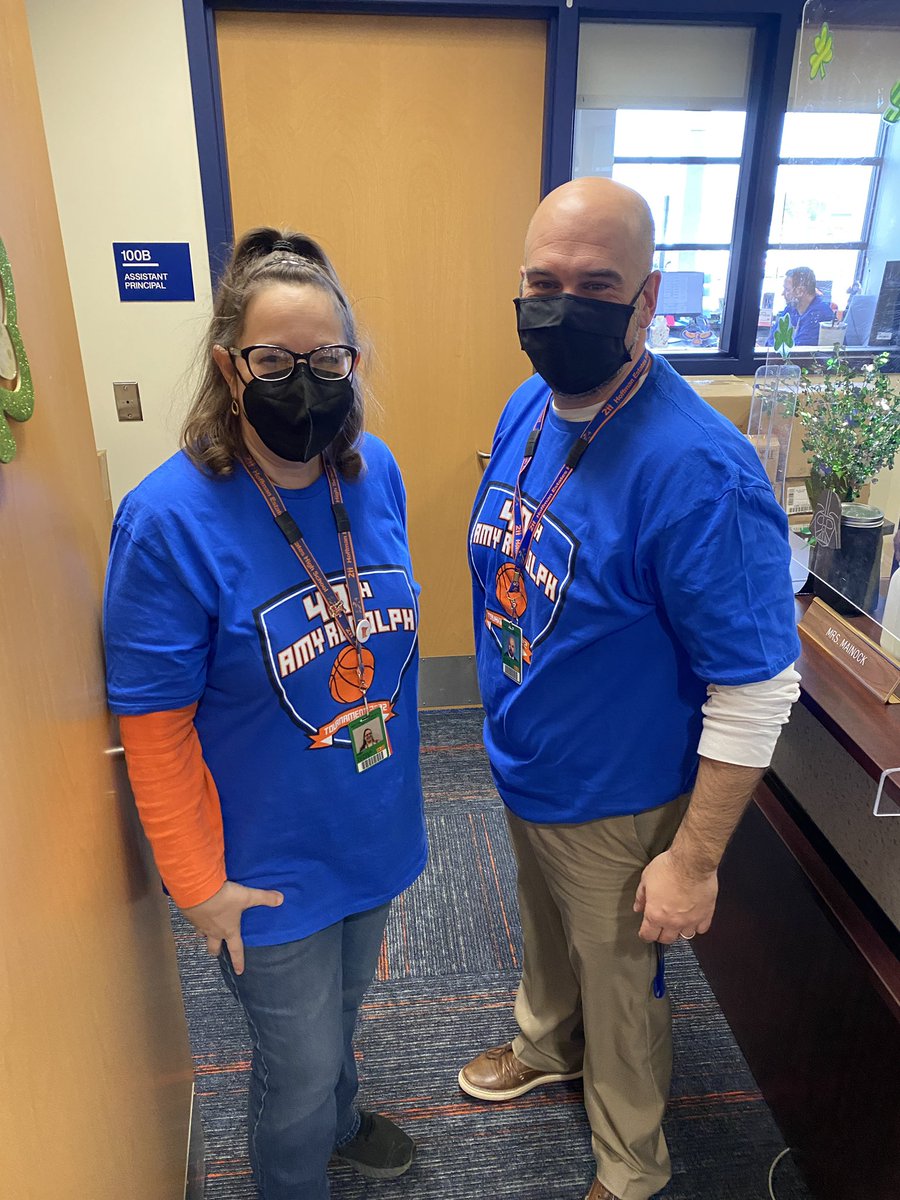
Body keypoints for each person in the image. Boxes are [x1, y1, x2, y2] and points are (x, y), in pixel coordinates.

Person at [463, 178, 801, 1200]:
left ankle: (632, 1165)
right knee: (546, 939)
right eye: (542, 283)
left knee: (622, 994)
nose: (561, 306)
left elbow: (757, 687)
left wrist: (692, 862)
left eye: (597, 286)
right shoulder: (530, 404)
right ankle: (544, 1043)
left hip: (619, 797)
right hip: (526, 758)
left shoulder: (701, 472)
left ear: (647, 299)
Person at [104, 228, 427, 1200]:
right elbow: (153, 726)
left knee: (345, 1013)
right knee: (295, 1067)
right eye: (275, 362)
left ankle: (343, 1119)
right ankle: (299, 1167)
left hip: (368, 825)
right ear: (228, 368)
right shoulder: (167, 520)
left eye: (327, 361)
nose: (305, 383)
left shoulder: (375, 473)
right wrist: (200, 887)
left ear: (353, 363)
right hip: (262, 866)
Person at [767, 265, 835, 346]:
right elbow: (771, 340)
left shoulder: (819, 314)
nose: (782, 294)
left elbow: (799, 351)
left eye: (787, 289)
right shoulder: (791, 309)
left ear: (800, 291)